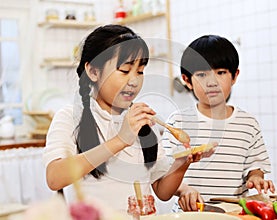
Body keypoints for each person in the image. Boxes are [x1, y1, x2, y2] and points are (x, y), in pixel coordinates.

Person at [42, 24, 214, 214]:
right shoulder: (70, 117)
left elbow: (162, 191)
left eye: (140, 72)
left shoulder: (144, 120)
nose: (134, 81)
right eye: (124, 70)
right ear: (93, 72)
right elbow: (54, 178)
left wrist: (182, 164)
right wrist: (120, 140)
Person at [162, 34, 275, 209]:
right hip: (190, 214)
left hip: (234, 212)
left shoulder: (248, 124)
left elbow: (255, 165)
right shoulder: (177, 123)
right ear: (187, 80)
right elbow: (164, 175)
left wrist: (256, 178)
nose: (212, 82)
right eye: (201, 74)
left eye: (220, 72)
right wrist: (184, 190)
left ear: (234, 76)